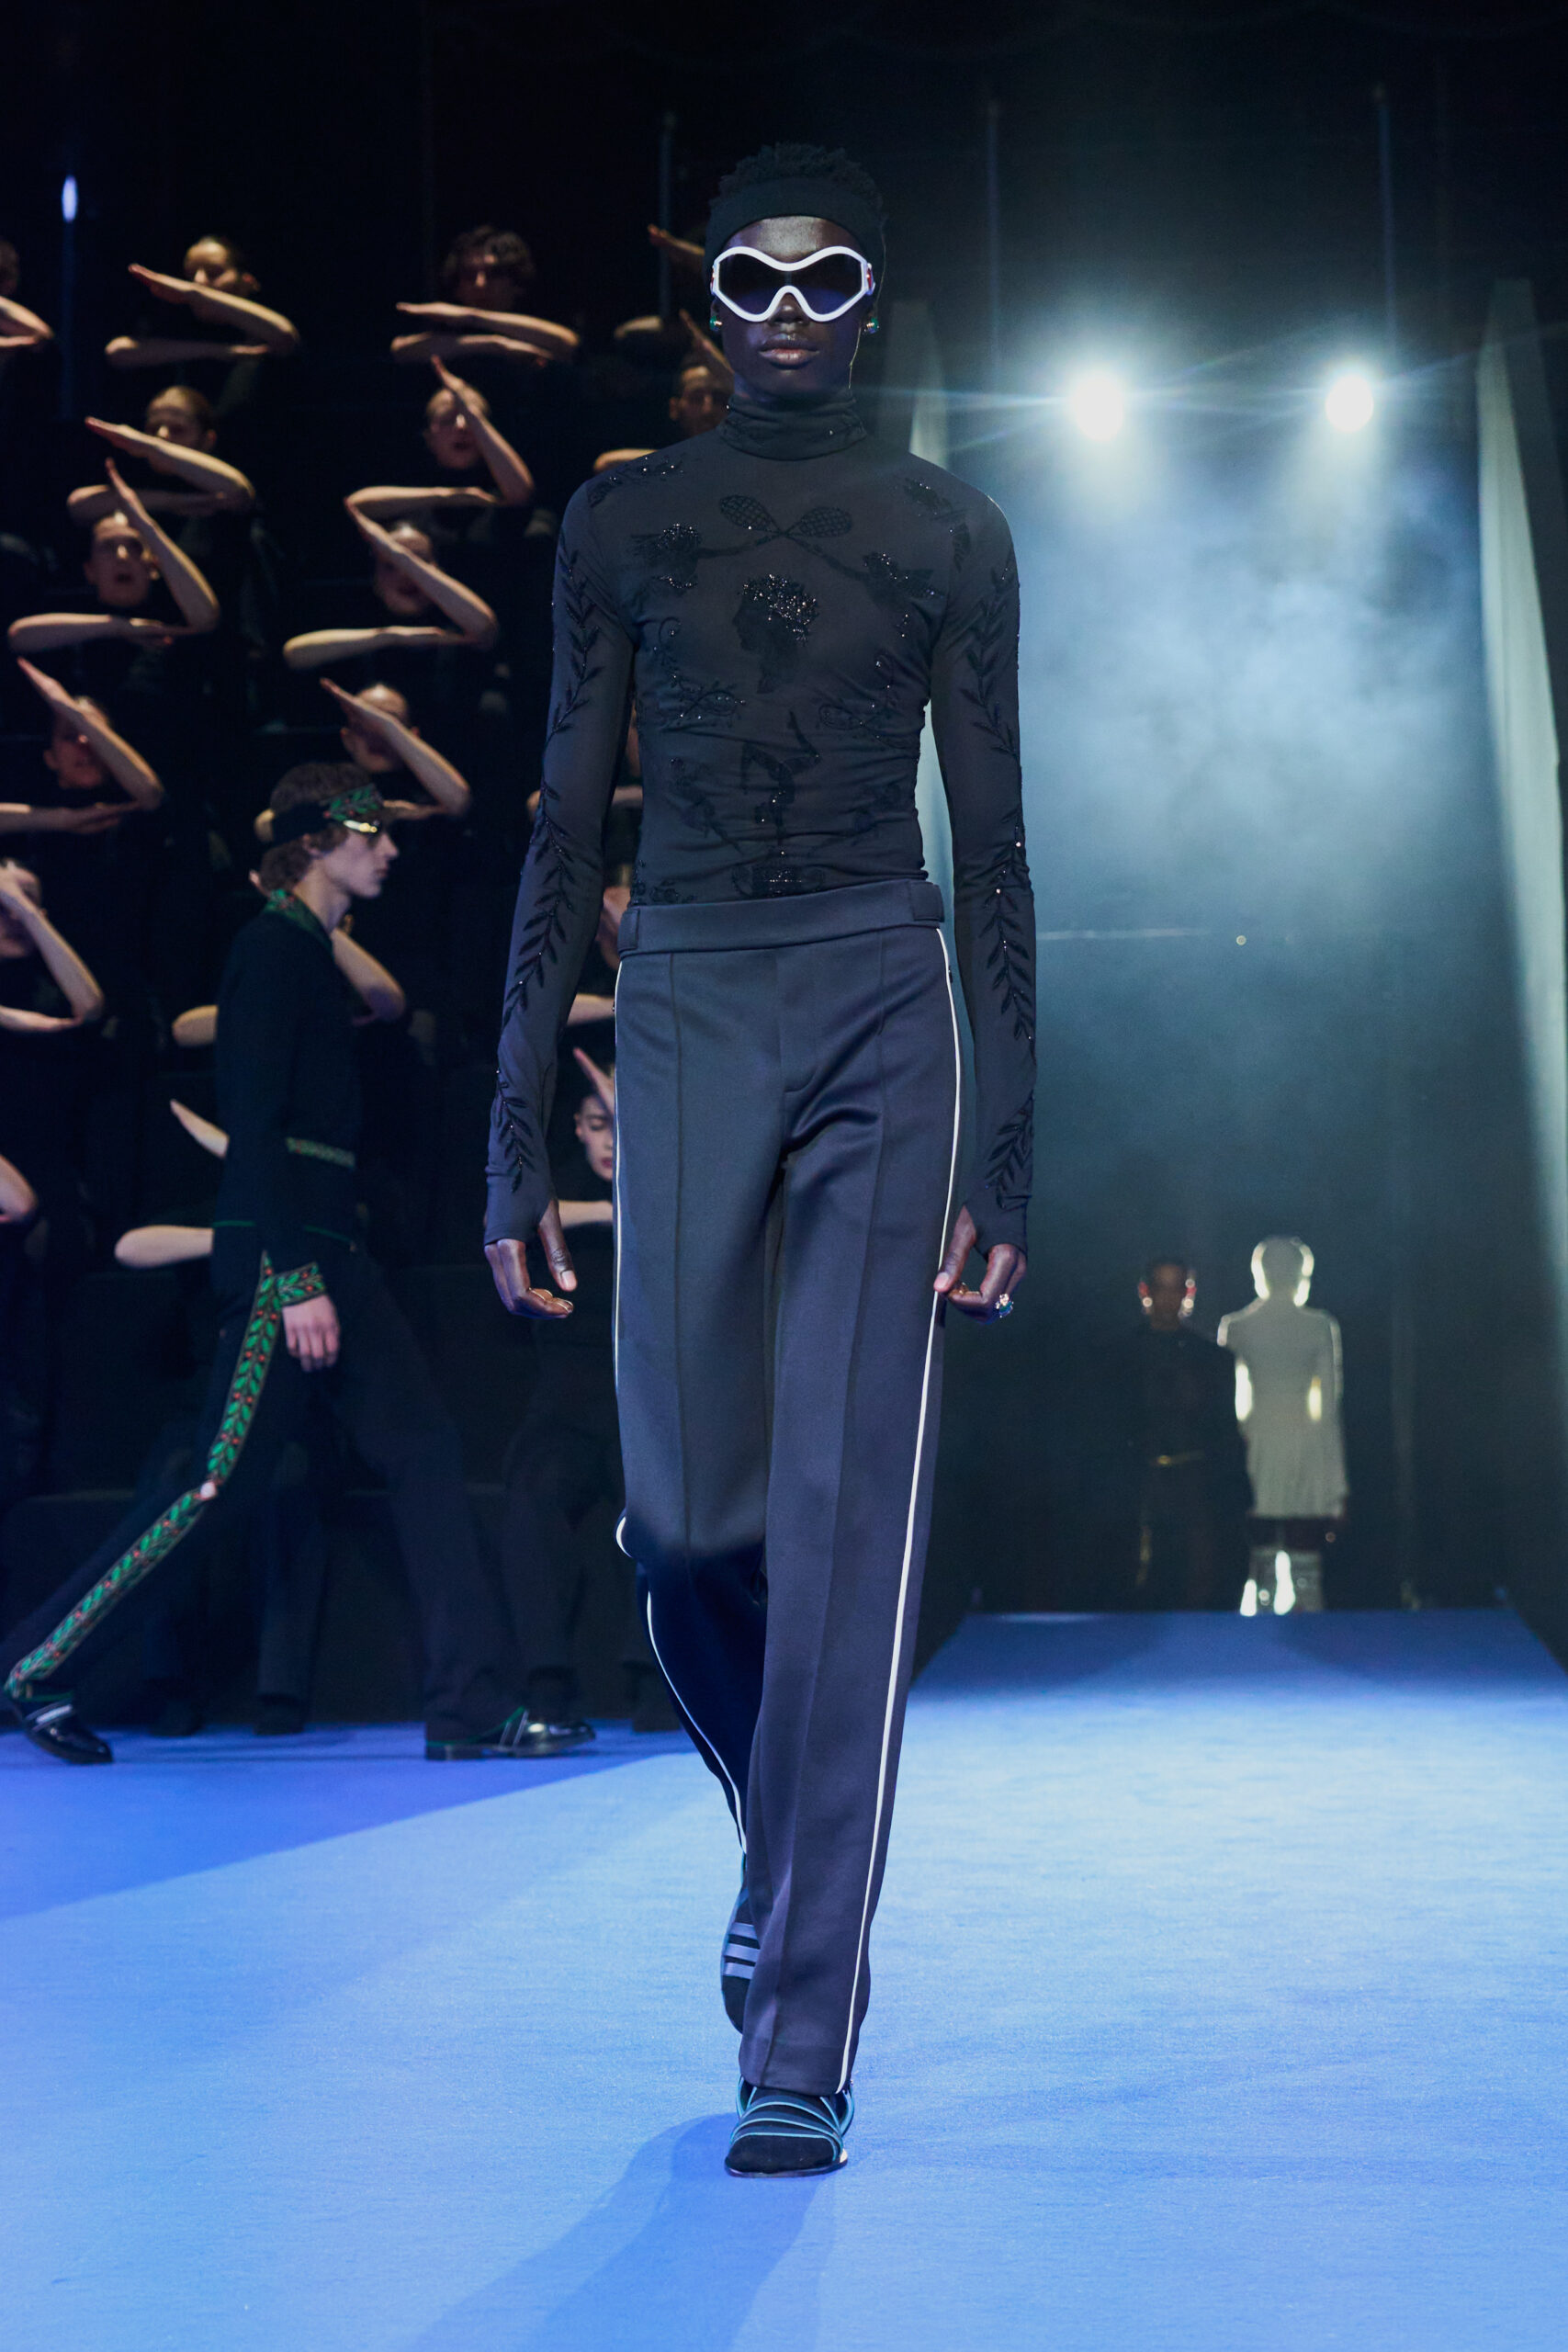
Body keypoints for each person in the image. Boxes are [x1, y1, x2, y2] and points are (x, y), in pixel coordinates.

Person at [486, 144, 1035, 2177]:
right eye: (751, 280)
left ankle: (799, 2027)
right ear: (705, 302)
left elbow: (995, 838)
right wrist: (513, 1125)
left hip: (884, 988)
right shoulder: (621, 518)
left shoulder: (950, 527)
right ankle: (775, 1832)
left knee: (841, 1528)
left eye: (826, 282)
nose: (788, 313)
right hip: (691, 994)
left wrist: (1007, 1137)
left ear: (870, 302)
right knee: (687, 1533)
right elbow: (563, 824)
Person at [0, 763, 582, 1768]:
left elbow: (375, 1014)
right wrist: (294, 1273)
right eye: (369, 832)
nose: (390, 848)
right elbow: (256, 1124)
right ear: (317, 841)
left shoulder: (310, 947)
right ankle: (38, 1665)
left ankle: (472, 1704)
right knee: (218, 1482)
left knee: (425, 1451)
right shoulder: (269, 950)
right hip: (288, 1256)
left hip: (332, 1247)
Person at [500, 1046, 674, 1738]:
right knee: (528, 1498)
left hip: (647, 1403)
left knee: (663, 1506)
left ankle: (658, 1682)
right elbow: (527, 1214)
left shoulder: (665, 1185)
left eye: (621, 1124)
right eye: (599, 1124)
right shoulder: (555, 1192)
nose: (608, 1140)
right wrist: (606, 1210)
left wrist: (630, 1178)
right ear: (576, 1128)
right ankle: (548, 1689)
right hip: (568, 1404)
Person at [1104, 1258, 1253, 1611]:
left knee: (1198, 1583)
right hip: (1138, 1488)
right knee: (1137, 1584)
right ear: (1146, 1291)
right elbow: (1109, 1430)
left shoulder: (1213, 1359)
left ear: (1190, 1293)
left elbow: (1225, 1431)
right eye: (1162, 1288)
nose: (1169, 1298)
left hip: (1196, 1489)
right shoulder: (1118, 1358)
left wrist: (1237, 1492)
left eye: (1177, 1288)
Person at [1219, 1237, 1347, 1613]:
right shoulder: (1318, 1325)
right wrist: (1336, 1485)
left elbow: (1229, 1403)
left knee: (1263, 1562)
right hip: (1302, 1446)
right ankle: (1305, 1629)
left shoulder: (1237, 1325)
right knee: (1302, 1564)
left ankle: (1265, 1628)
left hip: (1256, 1446)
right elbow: (1328, 1410)